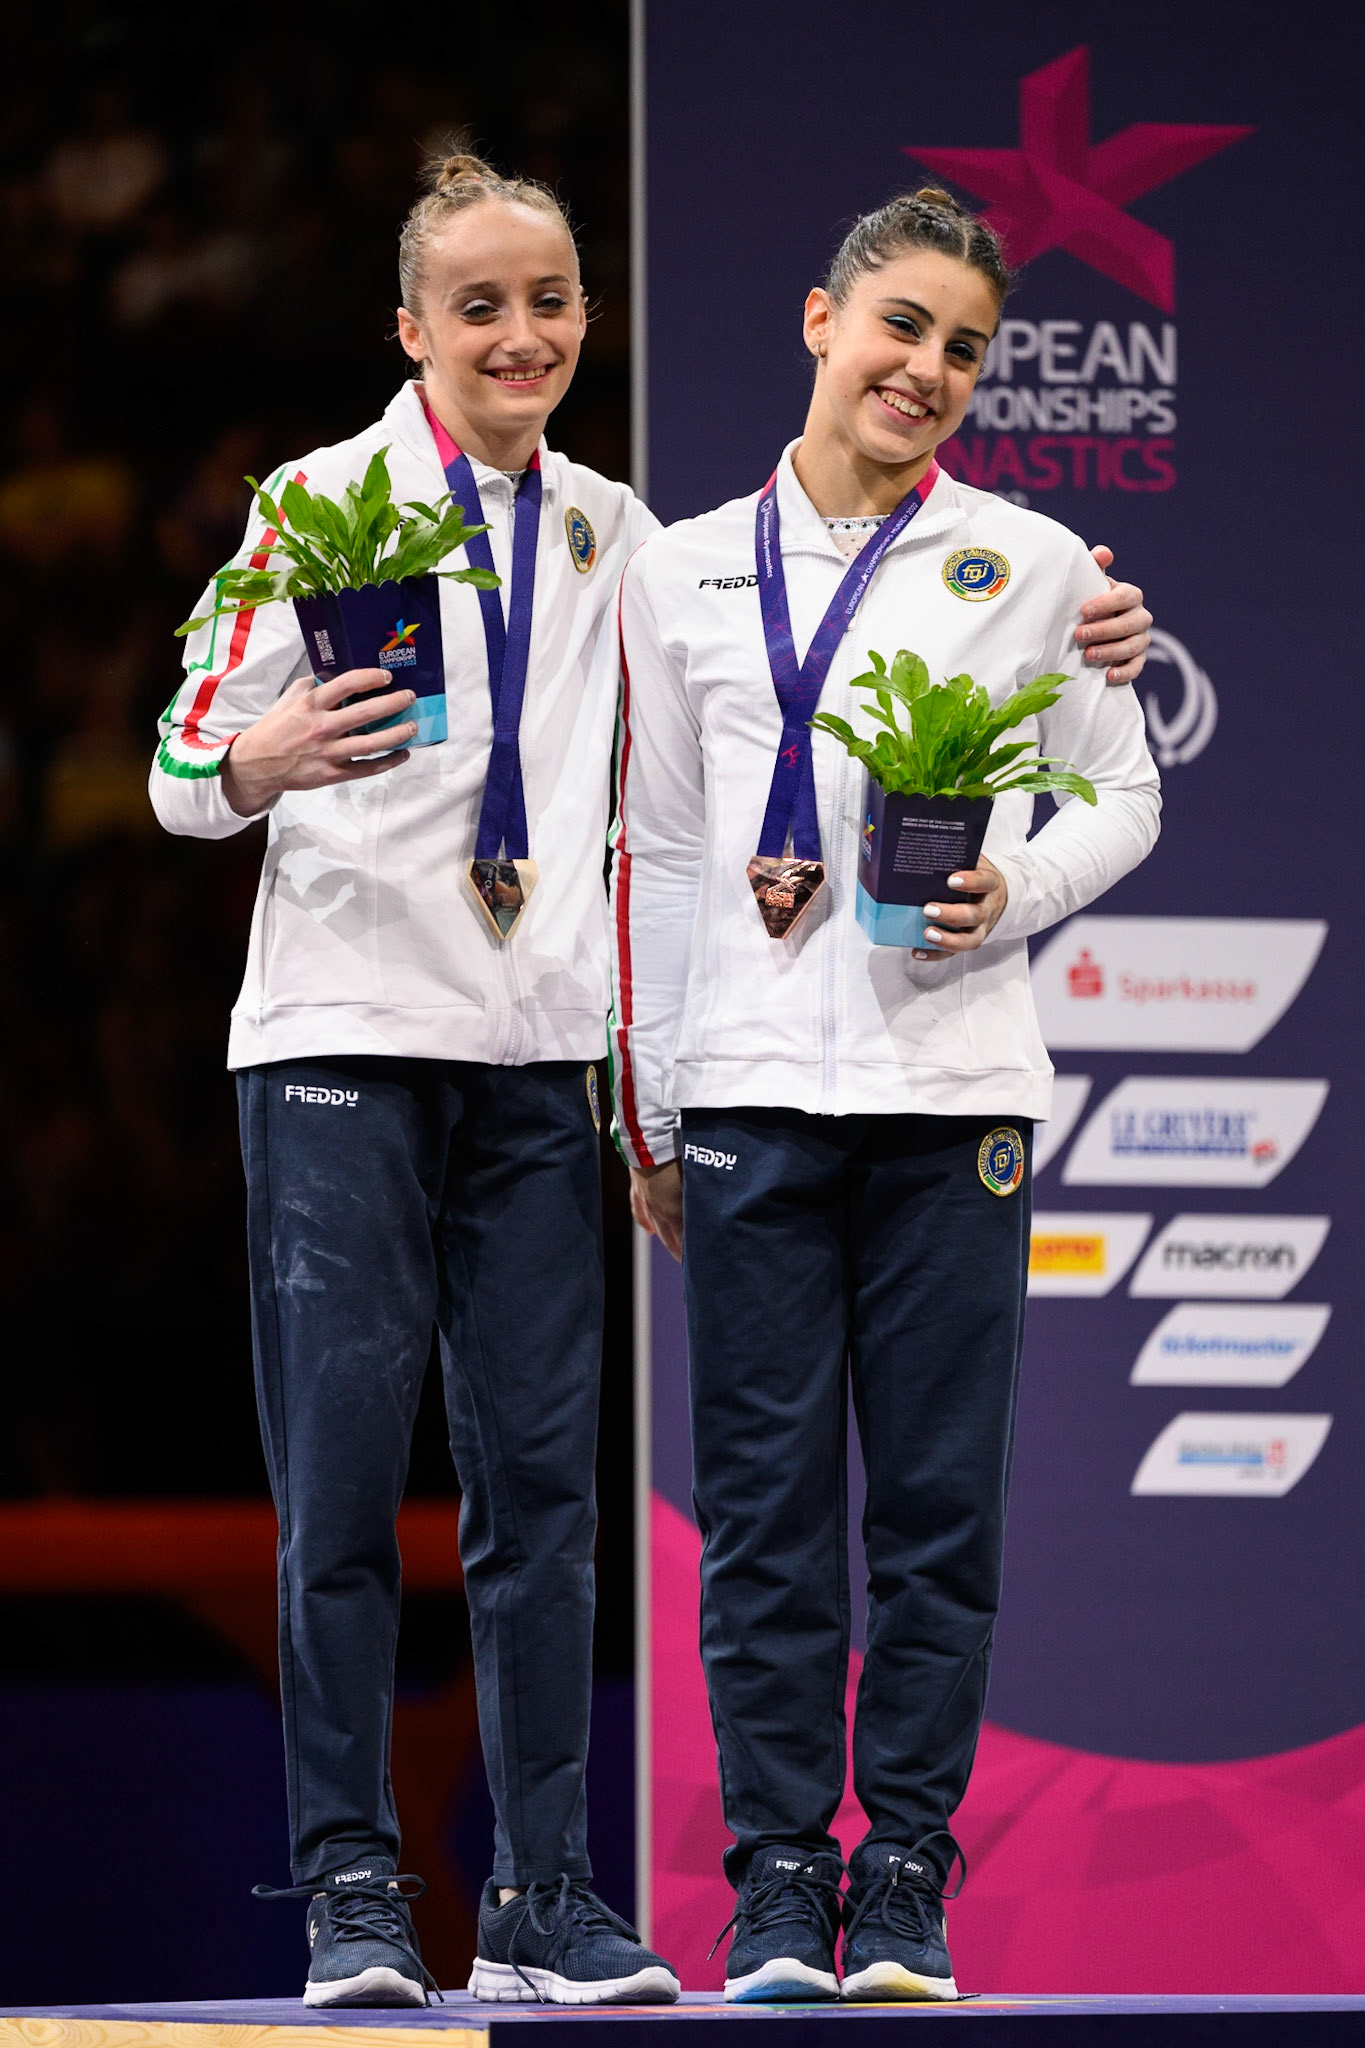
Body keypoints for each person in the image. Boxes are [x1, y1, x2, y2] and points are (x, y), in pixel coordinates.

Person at [613, 188, 1161, 2005]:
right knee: (764, 1515)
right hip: (757, 1095)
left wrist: (1017, 887)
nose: (927, 371)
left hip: (954, 1097)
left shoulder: (1037, 564)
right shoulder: (682, 569)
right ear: (816, 320)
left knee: (936, 1514)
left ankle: (905, 1879)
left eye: (964, 350)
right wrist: (662, 1105)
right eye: (900, 327)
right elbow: (671, 847)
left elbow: (1122, 795)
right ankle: (777, 1879)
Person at [152, 151, 681, 2010]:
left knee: (544, 1493)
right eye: (480, 305)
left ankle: (544, 1898)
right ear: (411, 330)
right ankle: (353, 1893)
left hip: (538, 1060)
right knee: (346, 1493)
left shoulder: (620, 532)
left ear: (581, 319)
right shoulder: (316, 502)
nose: (519, 332)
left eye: (548, 300)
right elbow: (171, 757)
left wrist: (1073, 631)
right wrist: (261, 751)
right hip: (344, 1049)